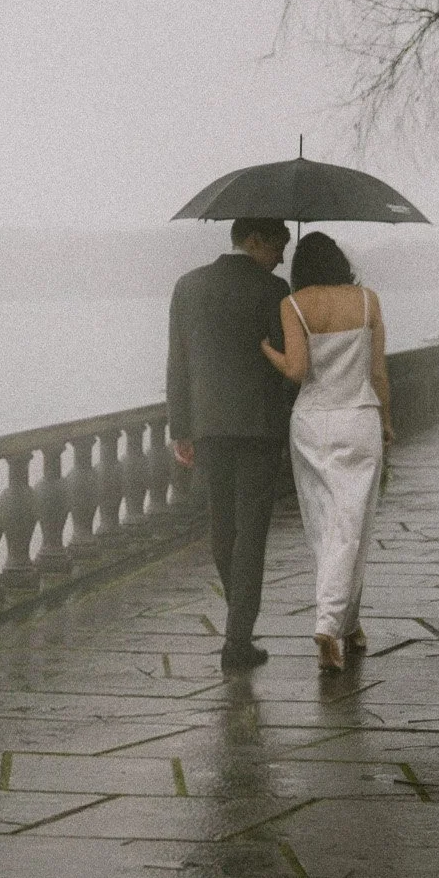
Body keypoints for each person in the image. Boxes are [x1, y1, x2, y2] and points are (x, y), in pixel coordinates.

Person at [259, 231, 392, 673]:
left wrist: (267, 351)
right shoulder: (368, 301)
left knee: (324, 525)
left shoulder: (293, 305)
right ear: (339, 262)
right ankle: (331, 623)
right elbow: (378, 374)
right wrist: (387, 421)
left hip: (312, 422)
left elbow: (296, 371)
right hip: (358, 419)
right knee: (353, 522)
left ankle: (344, 622)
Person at [167, 216, 293, 671]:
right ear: (255, 240)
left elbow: (177, 362)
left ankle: (238, 623)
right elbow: (287, 368)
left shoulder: (188, 286)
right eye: (279, 246)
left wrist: (180, 425)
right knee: (252, 533)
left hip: (208, 426)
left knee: (222, 527)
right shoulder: (275, 292)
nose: (282, 256)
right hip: (260, 428)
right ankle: (238, 638)